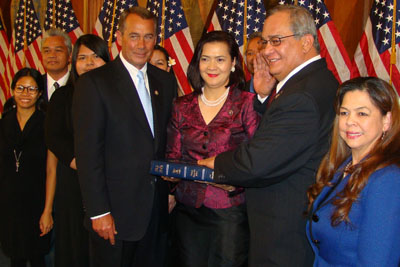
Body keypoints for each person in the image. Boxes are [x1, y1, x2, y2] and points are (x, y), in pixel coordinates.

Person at [198, 5, 338, 266]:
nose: (266, 51)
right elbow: (285, 138)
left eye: (276, 41)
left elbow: (258, 162)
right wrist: (263, 98)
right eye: (265, 42)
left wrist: (216, 164)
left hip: (286, 236)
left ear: (307, 42)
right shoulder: (313, 82)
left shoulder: (302, 96)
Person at [72, 7, 177, 267]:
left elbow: (166, 140)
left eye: (149, 37)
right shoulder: (94, 83)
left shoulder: (164, 82)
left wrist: (172, 188)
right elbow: (88, 155)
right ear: (118, 37)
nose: (141, 45)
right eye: (134, 36)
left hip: (155, 211)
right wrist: (99, 211)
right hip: (114, 216)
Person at [165, 31, 260, 267]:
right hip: (188, 213)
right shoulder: (181, 105)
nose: (212, 66)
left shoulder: (248, 103)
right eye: (205, 58)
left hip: (230, 213)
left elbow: (257, 159)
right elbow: (173, 156)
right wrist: (169, 174)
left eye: (220, 59)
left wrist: (235, 181)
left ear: (233, 63)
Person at [306, 77, 400, 266]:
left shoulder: (387, 180)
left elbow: (377, 262)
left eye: (362, 114)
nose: (350, 121)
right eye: (344, 113)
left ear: (386, 120)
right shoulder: (342, 166)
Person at [40, 34, 110, 267]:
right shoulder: (63, 95)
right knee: (74, 248)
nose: (89, 63)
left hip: (108, 181)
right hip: (72, 181)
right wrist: (77, 162)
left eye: (95, 57)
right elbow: (53, 136)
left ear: (107, 60)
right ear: (73, 62)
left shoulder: (118, 95)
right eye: (82, 57)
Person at [0, 68, 50, 267]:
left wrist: (47, 210)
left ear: (39, 93)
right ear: (12, 90)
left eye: (31, 89)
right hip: (8, 202)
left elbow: (51, 170)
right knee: (14, 257)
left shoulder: (46, 123)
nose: (25, 93)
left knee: (38, 257)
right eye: (20, 88)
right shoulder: (4, 123)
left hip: (36, 202)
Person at [41, 28, 72, 101]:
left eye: (58, 50)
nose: (52, 55)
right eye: (47, 51)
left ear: (70, 56)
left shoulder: (79, 85)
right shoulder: (36, 84)